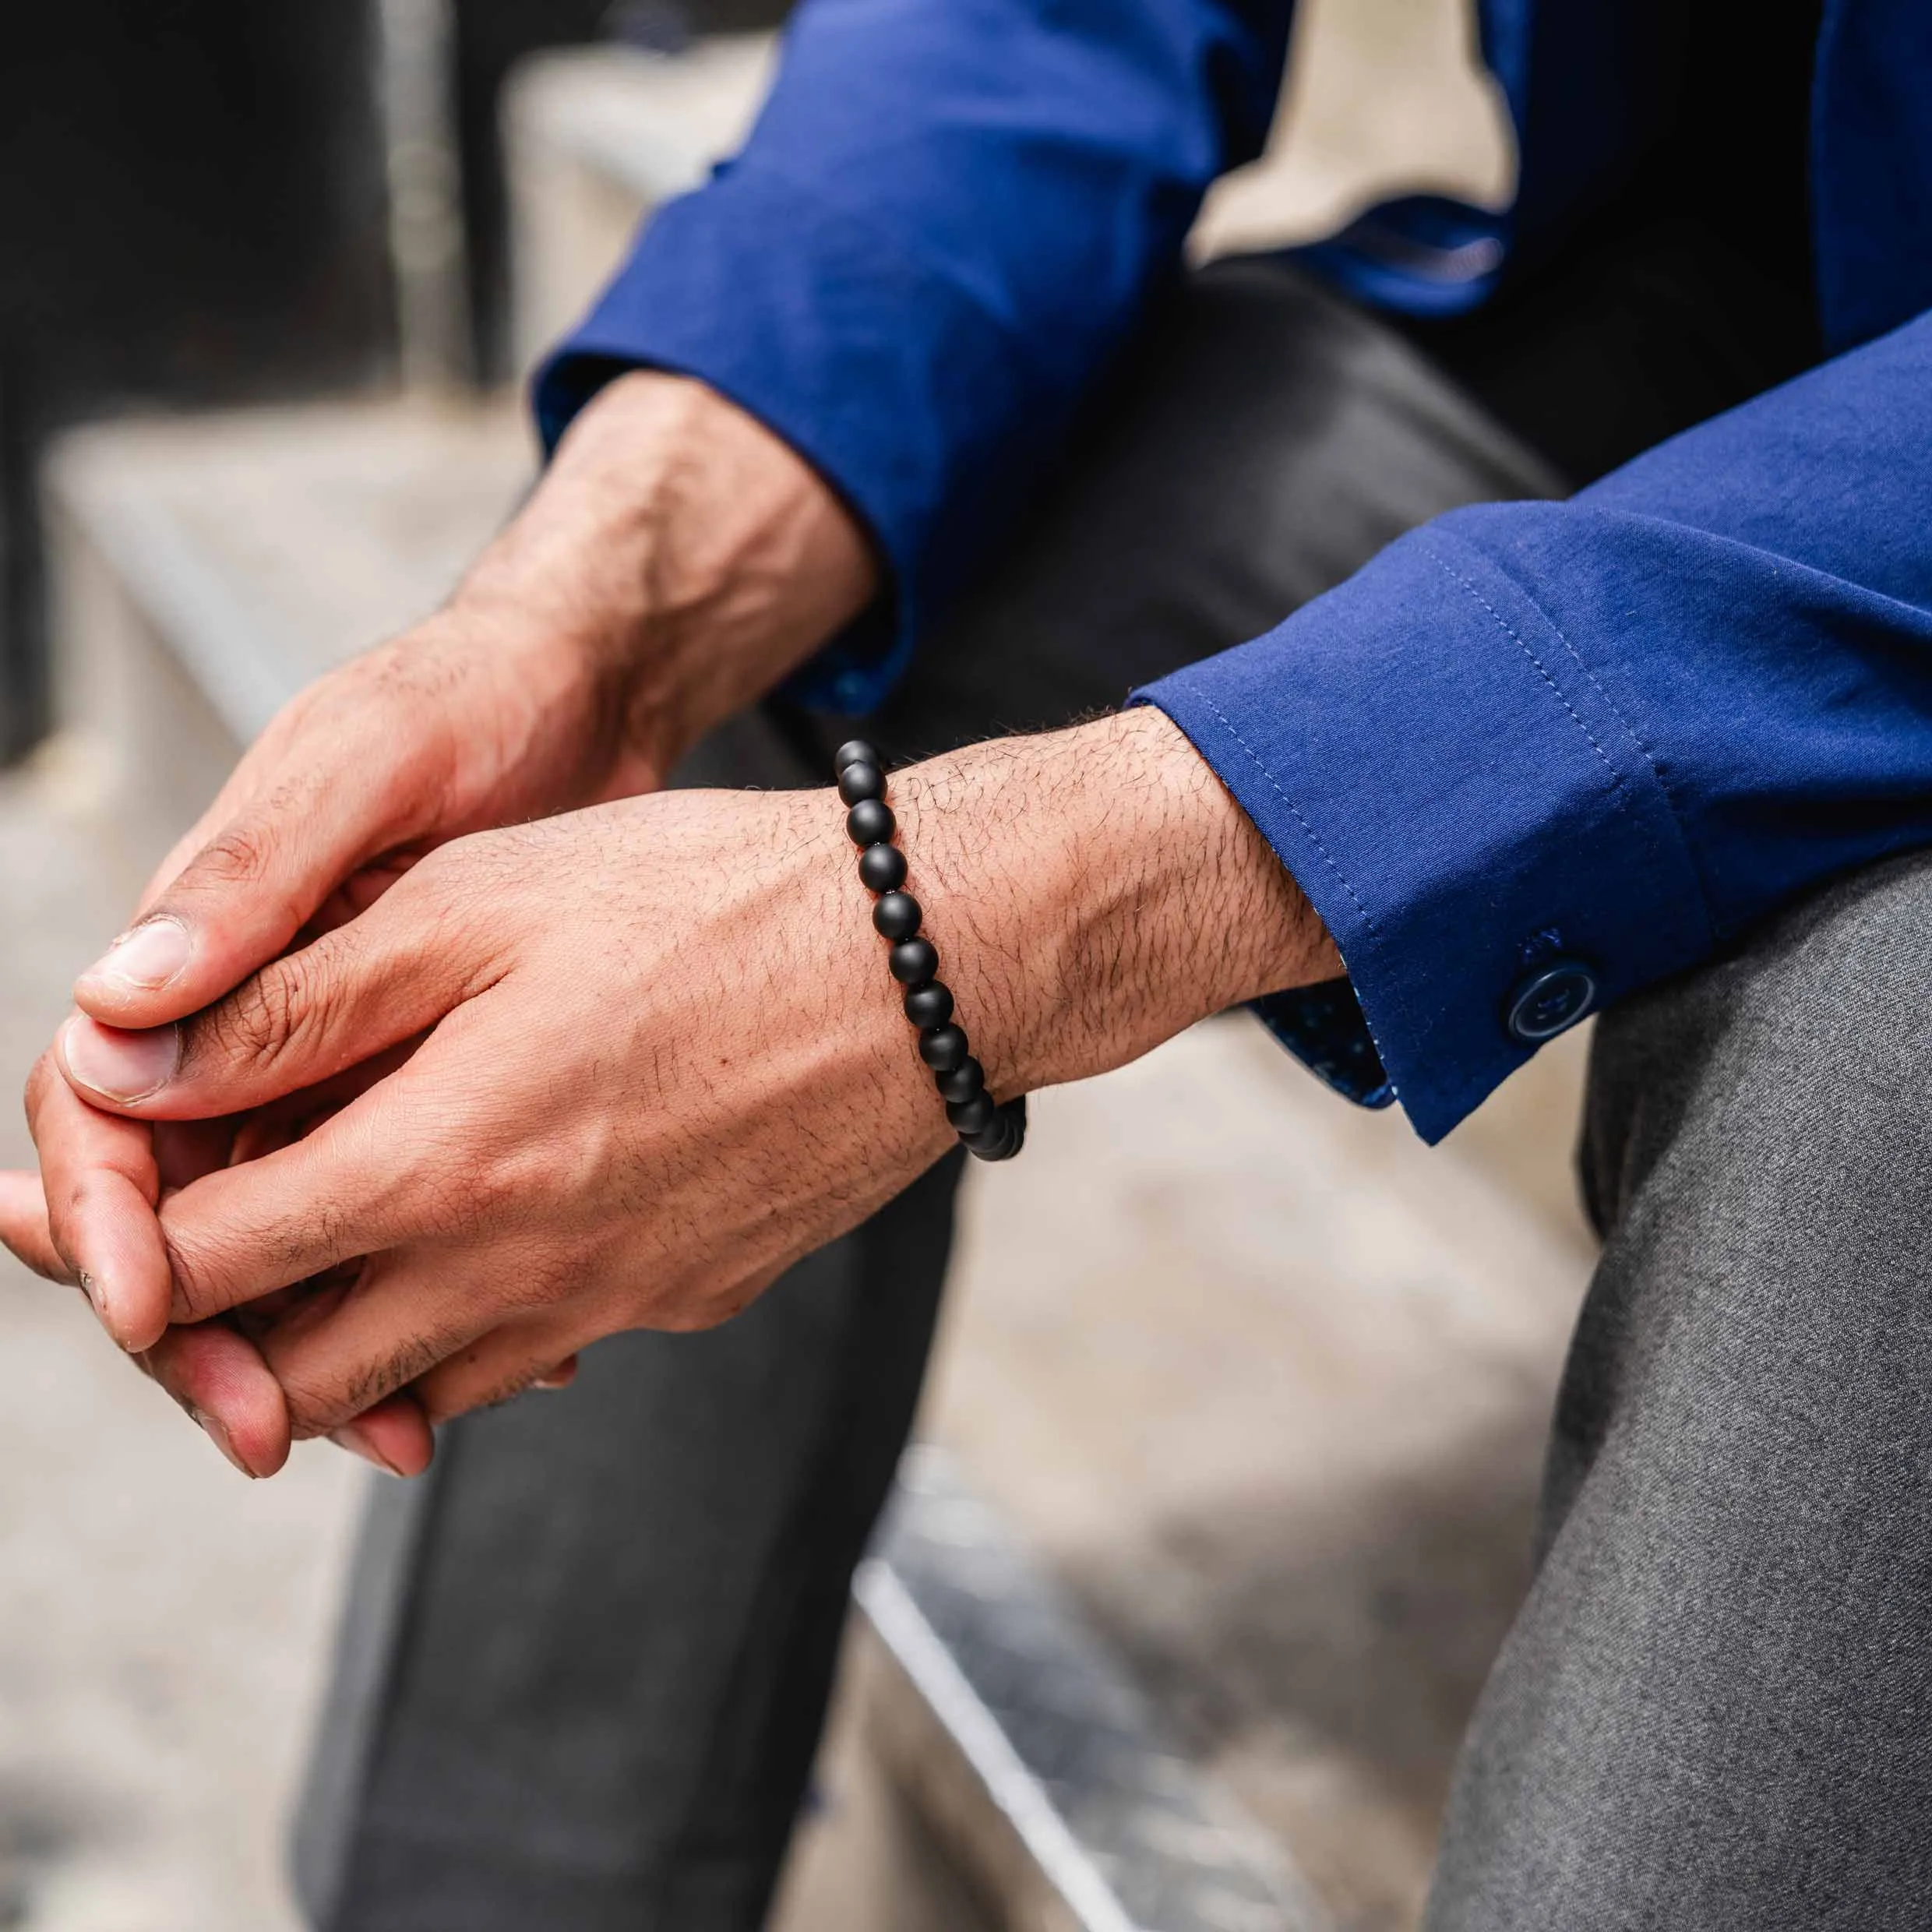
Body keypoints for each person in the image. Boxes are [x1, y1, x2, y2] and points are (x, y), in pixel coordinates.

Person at [5, 0, 1932, 1923]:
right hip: (1733, 316)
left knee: (1879, 1073)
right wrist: (595, 614)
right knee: (758, 624)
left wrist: (960, 930)